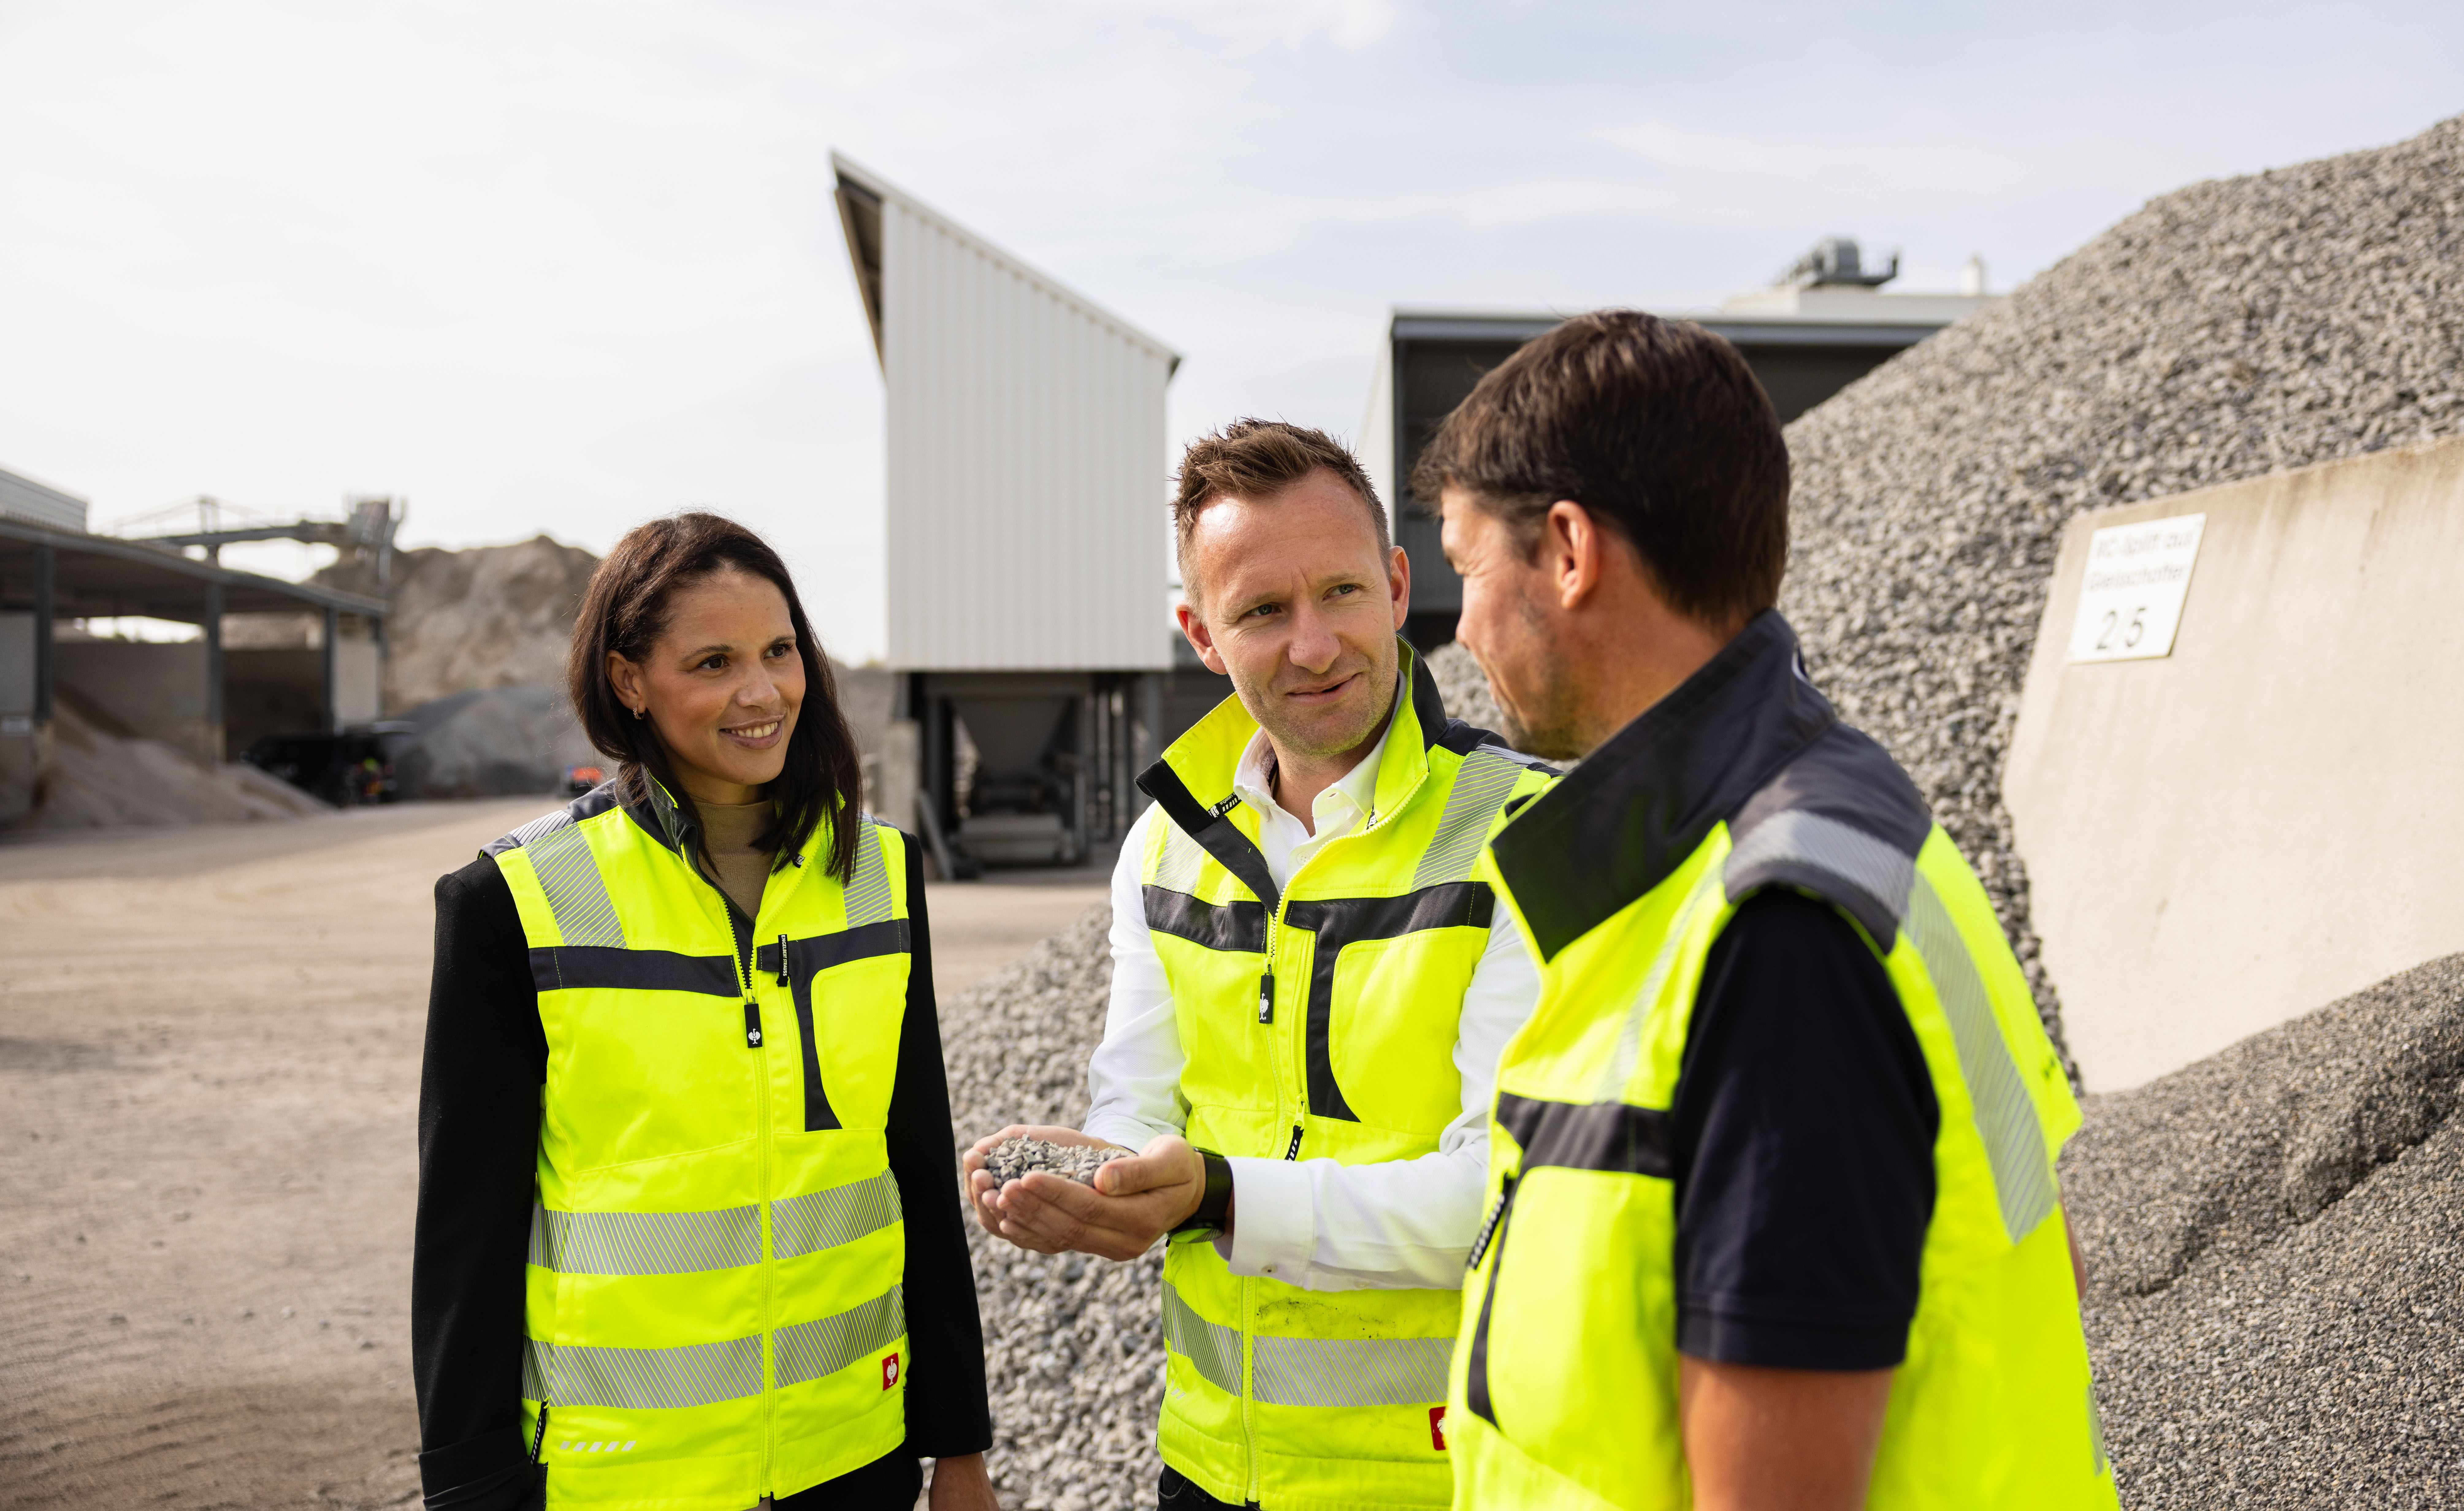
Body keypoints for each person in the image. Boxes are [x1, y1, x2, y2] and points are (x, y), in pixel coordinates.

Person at [1415, 312, 2118, 1511]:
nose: (1462, 628)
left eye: (1471, 571)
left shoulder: (1778, 927)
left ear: (1571, 551)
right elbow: (2046, 1266)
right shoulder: (1848, 820)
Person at [961, 422, 1556, 1511]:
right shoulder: (1165, 844)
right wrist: (1103, 1182)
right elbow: (1137, 1105)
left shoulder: (1526, 834)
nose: (1317, 644)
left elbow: (1501, 1192)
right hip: (1208, 1466)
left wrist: (1216, 1193)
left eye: (1340, 593)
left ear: (1396, 583)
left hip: (1447, 1480)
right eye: (1263, 612)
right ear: (1200, 633)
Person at [411, 514, 996, 1511]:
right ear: (631, 680)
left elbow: (914, 1169)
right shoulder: (515, 902)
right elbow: (466, 1236)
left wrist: (959, 1448)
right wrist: (471, 1487)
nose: (762, 692)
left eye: (779, 651)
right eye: (714, 661)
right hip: (622, 1477)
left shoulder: (883, 877)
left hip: (850, 1459)